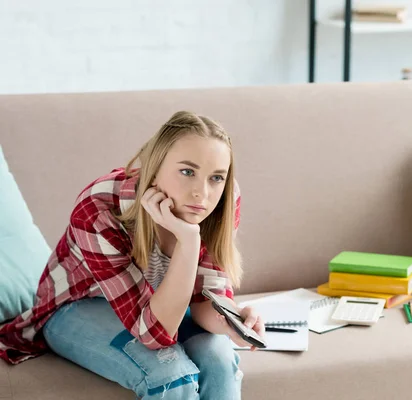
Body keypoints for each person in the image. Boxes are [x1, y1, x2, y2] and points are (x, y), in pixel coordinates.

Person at [0, 111, 264, 399]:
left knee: (220, 361)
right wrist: (188, 241)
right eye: (187, 172)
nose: (202, 193)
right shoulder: (99, 207)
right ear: (154, 167)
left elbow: (204, 299)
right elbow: (156, 334)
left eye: (216, 178)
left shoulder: (222, 200)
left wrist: (233, 320)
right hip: (75, 308)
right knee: (172, 376)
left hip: (160, 305)